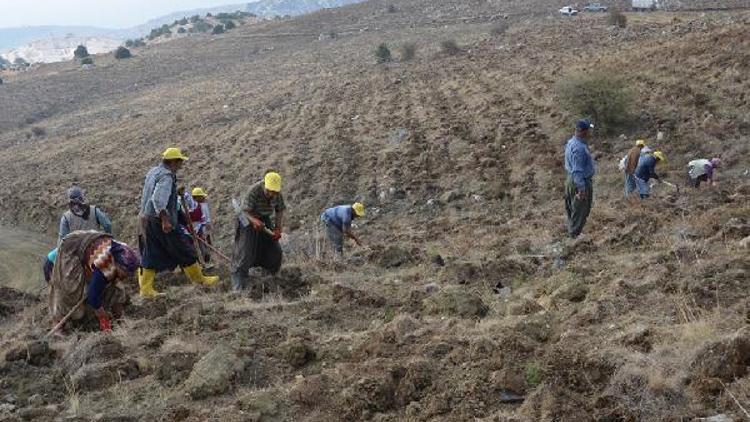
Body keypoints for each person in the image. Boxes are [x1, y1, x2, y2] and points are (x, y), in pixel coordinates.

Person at [138, 147, 218, 298]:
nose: (181, 165)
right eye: (180, 161)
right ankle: (199, 279)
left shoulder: (153, 171)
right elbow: (158, 200)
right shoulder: (166, 177)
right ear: (173, 162)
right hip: (161, 221)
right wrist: (166, 220)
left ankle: (145, 289)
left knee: (151, 253)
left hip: (148, 218)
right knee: (184, 249)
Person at [48, 230, 139, 334]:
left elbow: (116, 285)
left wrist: (120, 320)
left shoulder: (127, 254)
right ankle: (58, 326)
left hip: (92, 242)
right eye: (125, 272)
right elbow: (93, 296)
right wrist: (103, 317)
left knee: (116, 287)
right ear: (117, 265)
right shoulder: (105, 265)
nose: (126, 276)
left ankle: (120, 319)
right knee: (70, 290)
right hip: (72, 247)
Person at [231, 171, 285, 291]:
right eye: (269, 191)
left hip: (264, 218)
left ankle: (269, 278)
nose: (271, 194)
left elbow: (280, 210)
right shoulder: (254, 191)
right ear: (265, 185)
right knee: (245, 252)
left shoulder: (277, 194)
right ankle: (238, 285)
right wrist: (254, 221)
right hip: (247, 218)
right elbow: (244, 211)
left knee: (275, 250)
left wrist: (277, 228)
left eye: (274, 192)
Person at [564, 119, 596, 238]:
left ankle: (572, 233)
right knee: (580, 211)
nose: (590, 133)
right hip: (579, 181)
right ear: (583, 131)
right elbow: (577, 170)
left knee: (574, 211)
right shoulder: (579, 148)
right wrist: (581, 190)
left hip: (571, 180)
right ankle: (574, 238)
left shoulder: (571, 142)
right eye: (588, 130)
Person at [187, 187, 212, 266]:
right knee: (198, 245)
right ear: (196, 198)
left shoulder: (203, 205)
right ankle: (201, 261)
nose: (203, 197)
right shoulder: (194, 207)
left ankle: (206, 258)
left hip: (202, 227)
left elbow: (206, 216)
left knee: (204, 243)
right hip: (197, 228)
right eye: (201, 196)